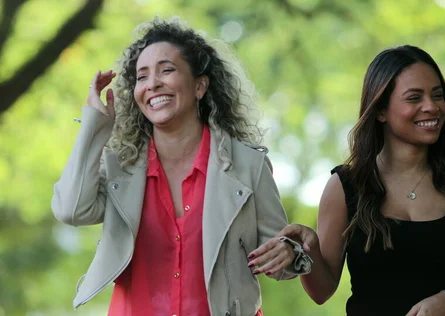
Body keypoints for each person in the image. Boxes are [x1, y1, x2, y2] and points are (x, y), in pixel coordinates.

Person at [51, 18, 311, 316]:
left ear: (200, 86)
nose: (152, 84)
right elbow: (71, 210)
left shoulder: (248, 165)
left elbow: (281, 258)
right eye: (142, 76)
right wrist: (95, 127)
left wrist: (288, 252)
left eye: (167, 70)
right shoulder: (119, 166)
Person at [254, 45, 445, 315]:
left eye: (437, 95)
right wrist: (308, 246)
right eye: (414, 98)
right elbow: (322, 292)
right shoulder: (345, 186)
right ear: (381, 110)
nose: (431, 107)